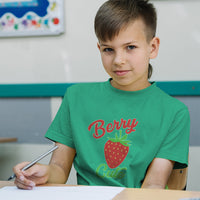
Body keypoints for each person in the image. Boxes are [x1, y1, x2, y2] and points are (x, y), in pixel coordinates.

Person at [13, 0, 190, 190]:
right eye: (108, 49)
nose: (118, 60)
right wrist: (44, 173)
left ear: (152, 47)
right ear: (99, 49)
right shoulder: (76, 98)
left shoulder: (175, 112)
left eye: (130, 47)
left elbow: (154, 184)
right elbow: (59, 169)